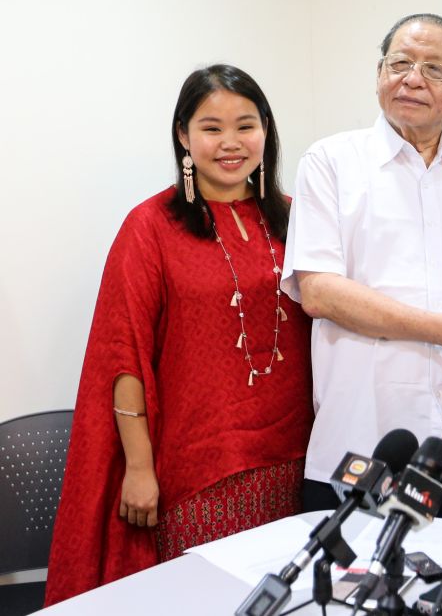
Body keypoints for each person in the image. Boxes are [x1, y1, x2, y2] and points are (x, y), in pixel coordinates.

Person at [44, 65, 313, 605]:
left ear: (268, 130)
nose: (231, 143)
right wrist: (139, 468)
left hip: (294, 462)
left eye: (247, 125)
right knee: (203, 602)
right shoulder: (150, 226)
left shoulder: (296, 218)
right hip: (197, 472)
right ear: (183, 136)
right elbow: (124, 355)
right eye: (212, 128)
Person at [281, 13, 442, 511]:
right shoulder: (330, 162)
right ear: (379, 74)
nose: (412, 78)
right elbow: (320, 292)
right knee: (351, 586)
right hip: (363, 438)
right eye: (400, 63)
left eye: (435, 69)